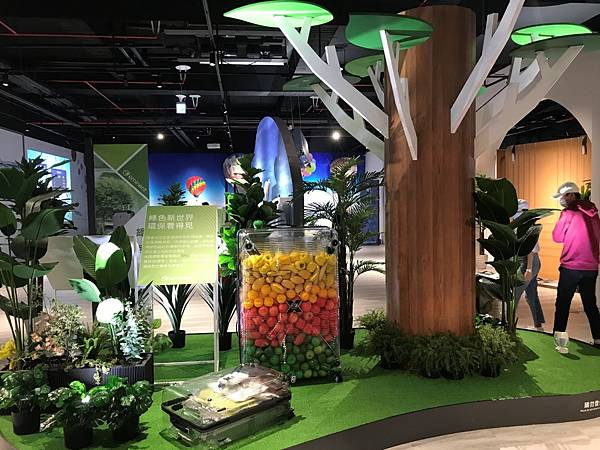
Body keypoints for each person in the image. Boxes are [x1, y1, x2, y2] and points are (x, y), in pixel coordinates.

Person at [551, 181, 600, 349]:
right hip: (591, 267)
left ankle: (558, 338)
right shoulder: (593, 213)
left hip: (571, 266)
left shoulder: (568, 213)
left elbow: (557, 237)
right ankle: (598, 339)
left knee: (563, 304)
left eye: (564, 196)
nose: (562, 200)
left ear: (572, 195)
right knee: (590, 304)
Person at [513, 199, 545, 330]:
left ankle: (508, 325)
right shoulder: (527, 224)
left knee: (515, 293)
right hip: (529, 261)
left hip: (528, 262)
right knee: (531, 293)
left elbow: (530, 250)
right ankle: (538, 324)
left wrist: (529, 269)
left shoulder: (525, 226)